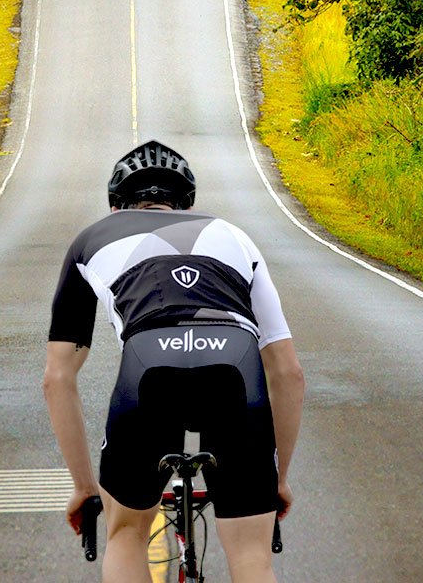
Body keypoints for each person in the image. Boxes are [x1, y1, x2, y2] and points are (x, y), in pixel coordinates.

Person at [43, 140, 304, 583]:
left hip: (148, 365)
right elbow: (287, 371)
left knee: (126, 532)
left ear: (115, 206)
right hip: (235, 364)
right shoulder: (235, 236)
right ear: (187, 203)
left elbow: (58, 376)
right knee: (252, 556)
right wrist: (276, 477)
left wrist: (85, 489)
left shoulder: (90, 239)